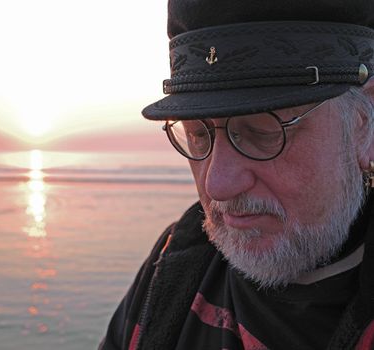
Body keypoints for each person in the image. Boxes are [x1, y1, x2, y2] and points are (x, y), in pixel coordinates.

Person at [100, 0, 374, 349]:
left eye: (264, 131)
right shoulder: (172, 270)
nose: (218, 185)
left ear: (366, 125)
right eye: (198, 135)